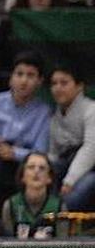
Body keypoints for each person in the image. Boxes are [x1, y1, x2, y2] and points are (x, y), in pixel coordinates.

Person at [0, 52, 51, 220]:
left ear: (40, 81)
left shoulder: (44, 111)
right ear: (11, 78)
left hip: (22, 164)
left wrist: (14, 153)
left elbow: (41, 152)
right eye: (19, 74)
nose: (24, 81)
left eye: (30, 75)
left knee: (37, 168)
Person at [49, 65, 95, 212]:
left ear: (79, 86)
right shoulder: (55, 116)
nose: (58, 88)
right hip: (66, 165)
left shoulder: (91, 110)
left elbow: (90, 148)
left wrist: (70, 181)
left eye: (64, 83)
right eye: (54, 83)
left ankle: (58, 217)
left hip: (90, 169)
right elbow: (53, 154)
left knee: (82, 188)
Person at [2, 152, 68, 238]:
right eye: (31, 167)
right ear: (22, 176)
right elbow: (7, 244)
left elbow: (64, 244)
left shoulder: (59, 207)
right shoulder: (10, 205)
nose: (36, 171)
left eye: (42, 168)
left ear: (49, 178)